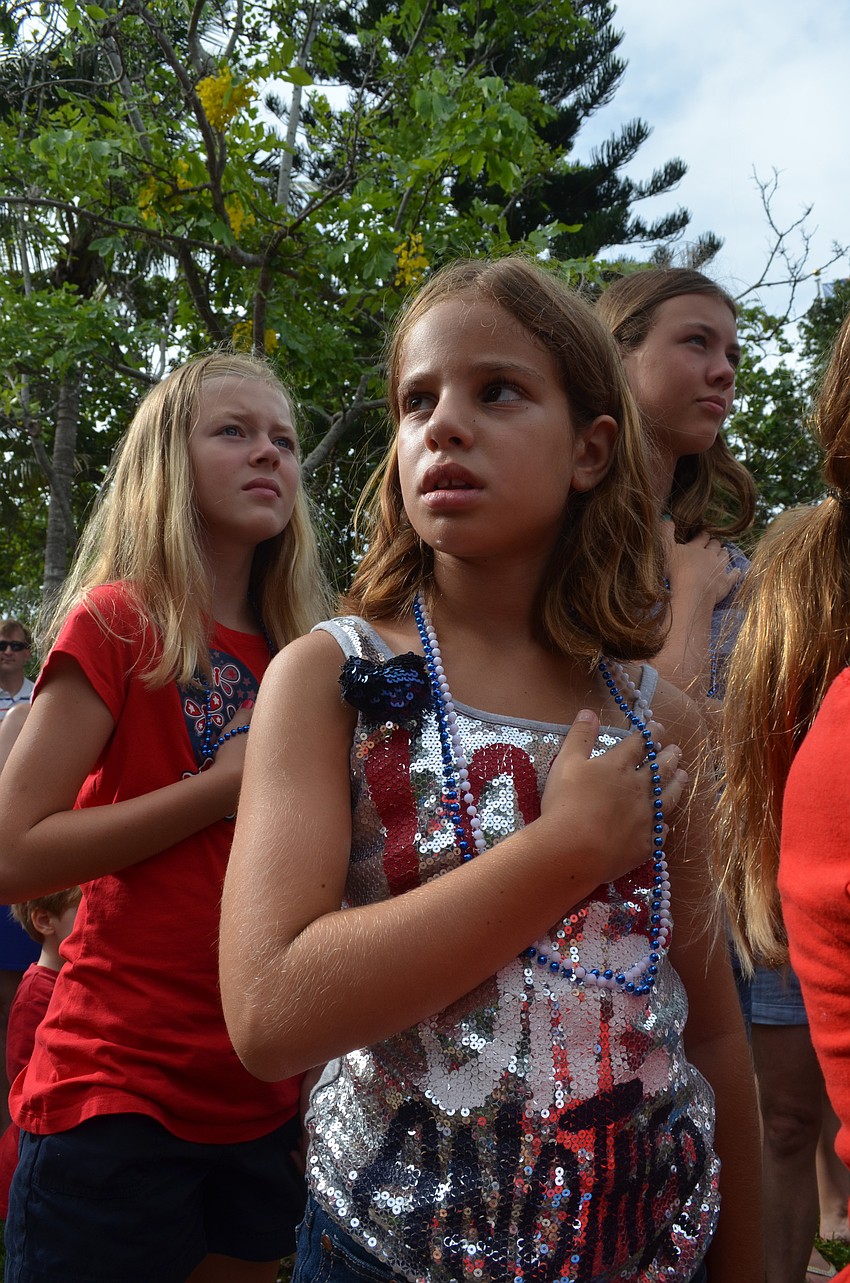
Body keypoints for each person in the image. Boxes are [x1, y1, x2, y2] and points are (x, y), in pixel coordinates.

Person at [220, 257, 762, 1283]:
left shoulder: (663, 723)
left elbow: (717, 1034)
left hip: (650, 1248)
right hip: (384, 1253)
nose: (444, 425)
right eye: (416, 401)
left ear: (591, 449)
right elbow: (269, 1011)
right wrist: (566, 851)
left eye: (496, 391)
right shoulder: (328, 677)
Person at [0, 351, 328, 1283]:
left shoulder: (305, 657)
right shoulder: (119, 621)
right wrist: (222, 786)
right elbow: (14, 851)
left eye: (285, 441)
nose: (268, 454)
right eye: (234, 432)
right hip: (117, 1085)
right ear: (166, 462)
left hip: (261, 1095)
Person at [720, 311, 850, 1283]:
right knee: (777, 1113)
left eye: (731, 350)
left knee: (801, 1114)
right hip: (742, 886)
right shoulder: (743, 582)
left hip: (778, 882)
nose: (719, 369)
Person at [595, 268, 755, 712]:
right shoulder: (554, 545)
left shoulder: (726, 564)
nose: (725, 372)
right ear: (617, 353)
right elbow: (643, 729)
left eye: (733, 357)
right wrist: (692, 597)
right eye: (697, 341)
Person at [0, 886, 82, 1219]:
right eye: (85, 913)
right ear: (45, 921)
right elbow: (24, 1074)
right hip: (39, 1147)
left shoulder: (70, 979)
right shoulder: (36, 993)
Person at [0, 621, 33, 721]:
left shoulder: (38, 697)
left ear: (26, 654)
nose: (8, 652)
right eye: (2, 645)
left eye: (16, 646)